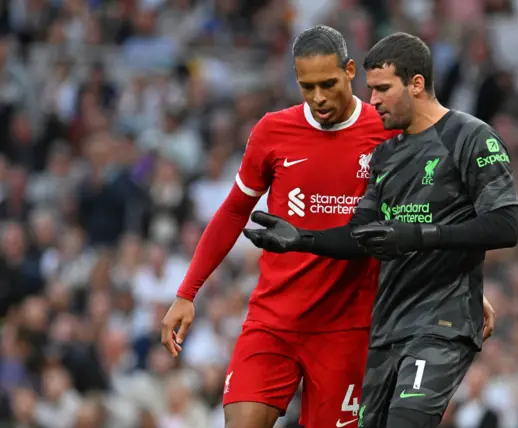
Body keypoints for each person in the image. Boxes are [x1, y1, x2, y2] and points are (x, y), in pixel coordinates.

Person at [161, 26, 496, 428]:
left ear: (350, 70)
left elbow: (428, 210)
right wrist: (187, 292)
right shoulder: (273, 131)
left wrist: (463, 286)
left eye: (328, 83)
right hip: (274, 320)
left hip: (349, 328)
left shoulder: (386, 128)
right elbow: (234, 211)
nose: (318, 97)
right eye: (307, 87)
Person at [243, 32, 518, 428]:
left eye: (382, 89)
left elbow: (506, 225)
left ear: (417, 84)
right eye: (370, 89)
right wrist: (302, 239)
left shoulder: (471, 137)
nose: (372, 100)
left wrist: (421, 237)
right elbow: (362, 234)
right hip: (386, 328)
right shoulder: (386, 154)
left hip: (441, 324)